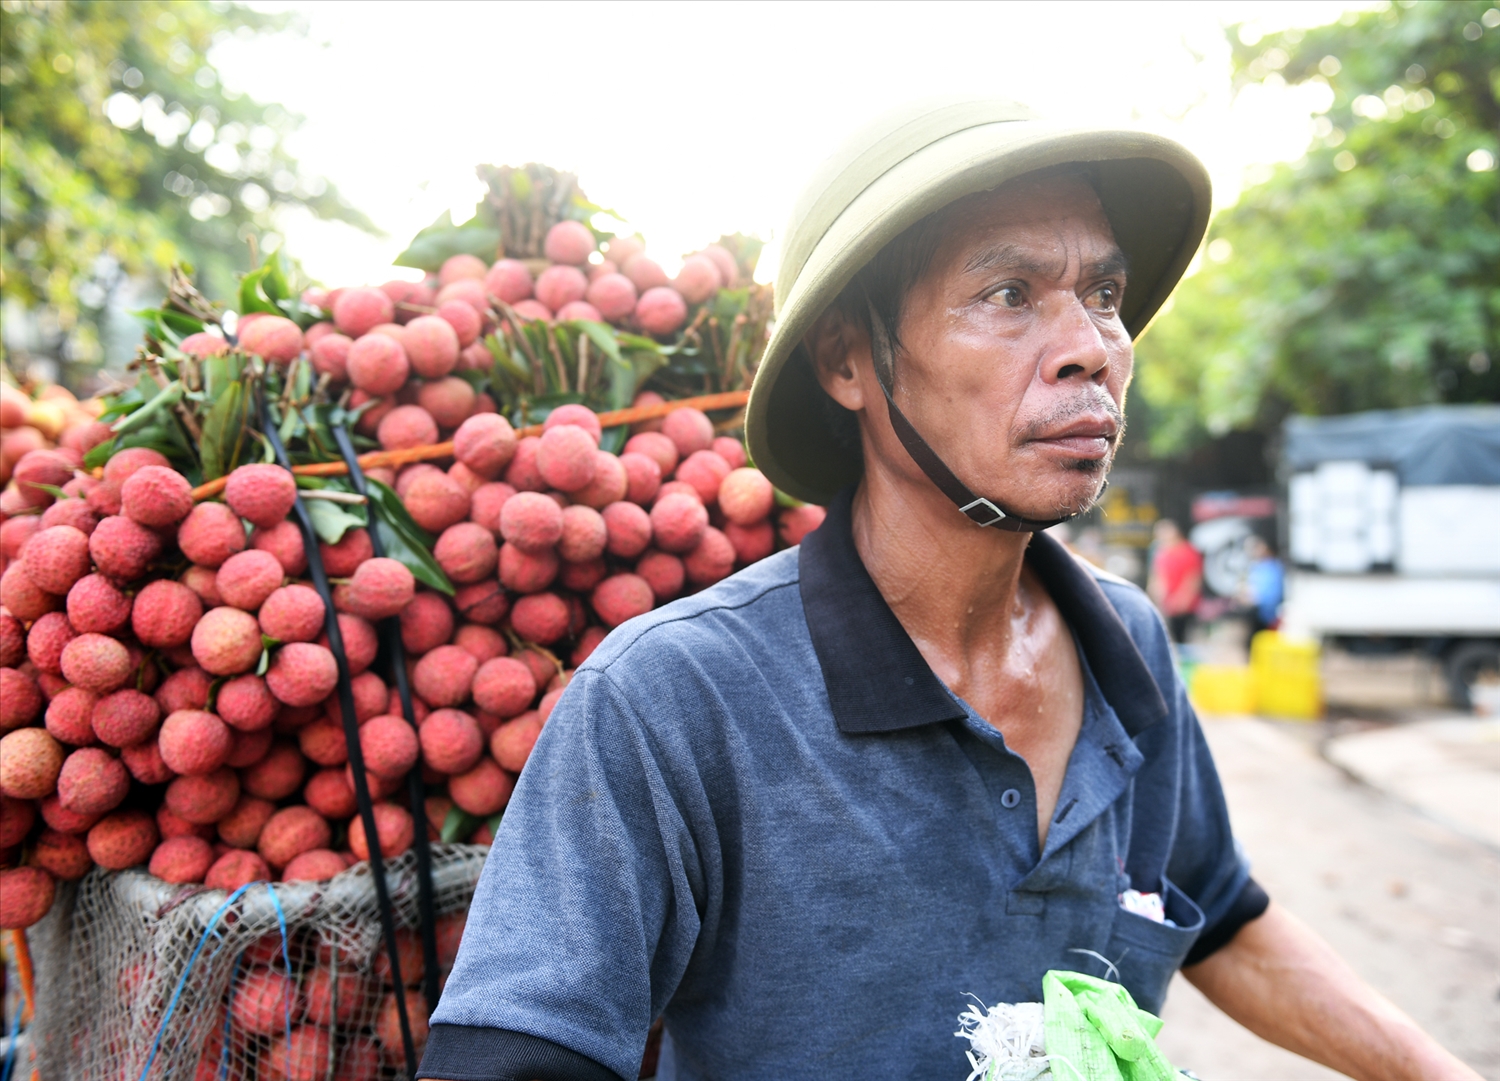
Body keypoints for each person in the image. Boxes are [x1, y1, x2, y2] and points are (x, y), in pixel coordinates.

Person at [421, 100, 1477, 1081]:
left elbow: (1226, 917)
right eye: (1008, 295)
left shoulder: (1130, 646)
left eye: (1102, 296)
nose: (1089, 352)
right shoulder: (676, 700)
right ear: (851, 362)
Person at [1147, 518, 1202, 644]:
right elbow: (1158, 574)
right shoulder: (1161, 552)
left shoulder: (1188, 551)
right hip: (1165, 602)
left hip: (1184, 605)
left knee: (1182, 637)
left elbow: (1193, 579)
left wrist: (1183, 599)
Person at [1240, 533, 1284, 636]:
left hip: (1269, 618)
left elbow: (1272, 596)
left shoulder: (1274, 568)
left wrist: (1252, 598)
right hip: (1256, 614)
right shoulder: (1256, 566)